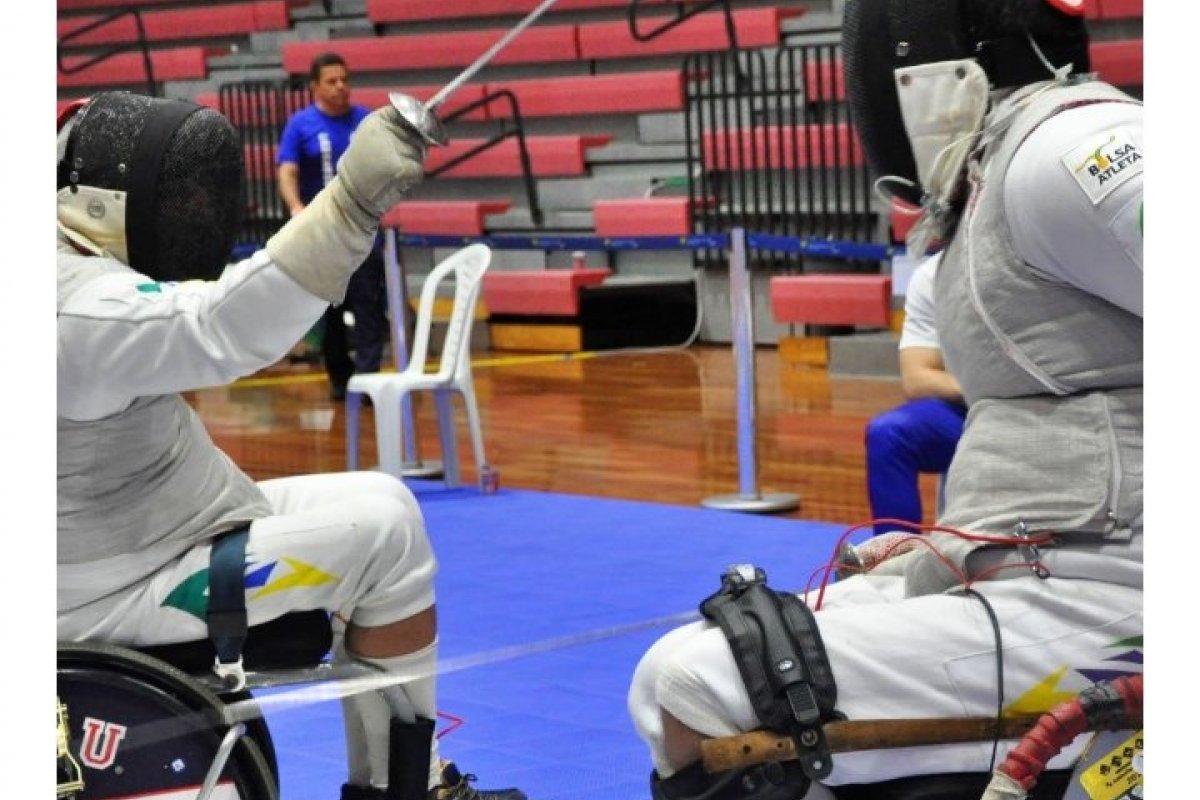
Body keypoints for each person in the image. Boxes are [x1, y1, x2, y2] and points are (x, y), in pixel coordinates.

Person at [627, 1, 1143, 797]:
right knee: (672, 678)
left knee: (709, 686)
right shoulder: (1001, 164)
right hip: (1036, 563)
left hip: (1119, 593)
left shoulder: (1069, 148)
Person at [56, 91, 526, 800]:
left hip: (154, 528)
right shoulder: (71, 306)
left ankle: (406, 780)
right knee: (381, 537)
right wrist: (348, 206)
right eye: (181, 198)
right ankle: (406, 792)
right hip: (109, 589)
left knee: (381, 496)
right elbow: (218, 328)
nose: (195, 216)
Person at [278, 52, 389, 401]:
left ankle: (368, 380)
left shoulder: (366, 121)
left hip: (363, 229)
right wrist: (295, 206)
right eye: (332, 80)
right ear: (315, 86)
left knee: (369, 305)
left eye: (345, 79)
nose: (341, 86)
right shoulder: (300, 125)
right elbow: (287, 169)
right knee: (328, 309)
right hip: (321, 234)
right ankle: (341, 380)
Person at [864, 252, 966, 536]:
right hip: (975, 406)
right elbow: (917, 378)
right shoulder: (934, 274)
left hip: (1045, 406)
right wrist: (988, 389)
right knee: (889, 434)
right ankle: (894, 562)